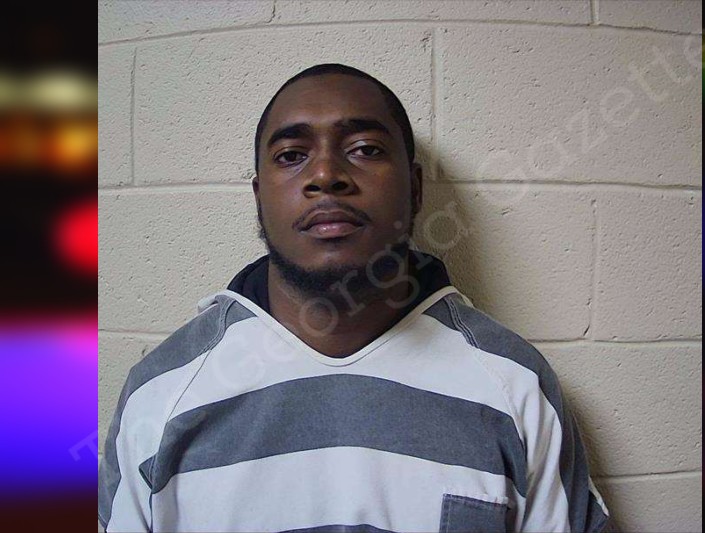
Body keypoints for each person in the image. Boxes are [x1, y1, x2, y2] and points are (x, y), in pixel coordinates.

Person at [98, 63, 610, 533]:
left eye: (365, 149)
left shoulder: (515, 386)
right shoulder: (161, 394)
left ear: (415, 188)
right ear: (259, 197)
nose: (325, 176)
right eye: (291, 156)